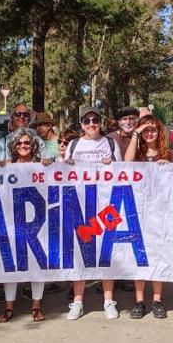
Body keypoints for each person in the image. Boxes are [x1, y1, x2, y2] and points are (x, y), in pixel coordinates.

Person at [64, 106, 121, 320]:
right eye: (86, 120)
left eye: (94, 119)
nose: (91, 124)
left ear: (100, 121)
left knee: (106, 253)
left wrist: (112, 165)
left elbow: (123, 172)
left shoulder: (110, 143)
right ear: (81, 124)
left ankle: (108, 301)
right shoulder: (74, 144)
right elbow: (63, 173)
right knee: (80, 253)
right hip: (80, 204)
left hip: (105, 205)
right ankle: (77, 301)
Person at [0, 130, 47, 322]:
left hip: (37, 223)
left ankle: (36, 306)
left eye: (26, 143)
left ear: (33, 145)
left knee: (38, 264)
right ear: (13, 147)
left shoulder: (42, 166)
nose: (23, 146)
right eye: (19, 144)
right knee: (11, 266)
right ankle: (9, 308)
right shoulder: (6, 167)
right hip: (13, 222)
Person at [127, 113, 171, 319]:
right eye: (145, 130)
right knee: (140, 257)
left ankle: (157, 300)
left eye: (153, 129)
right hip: (139, 210)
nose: (149, 133)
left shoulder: (167, 153)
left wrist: (167, 166)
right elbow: (126, 163)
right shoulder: (136, 154)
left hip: (160, 212)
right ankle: (139, 301)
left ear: (159, 131)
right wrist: (136, 133)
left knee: (158, 256)